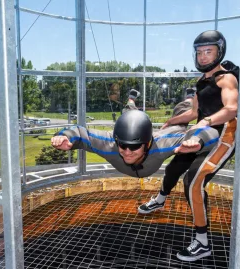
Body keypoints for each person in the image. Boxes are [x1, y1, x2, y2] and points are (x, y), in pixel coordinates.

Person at [138, 30, 238, 262]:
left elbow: (231, 109)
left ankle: (202, 243)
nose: (203, 57)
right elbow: (194, 112)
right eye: (199, 52)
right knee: (174, 168)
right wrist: (170, 122)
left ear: (219, 52)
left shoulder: (227, 78)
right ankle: (160, 200)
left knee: (192, 182)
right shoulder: (201, 82)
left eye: (208, 52)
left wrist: (207, 121)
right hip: (201, 135)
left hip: (224, 138)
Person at [51, 107, 219, 179]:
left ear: (147, 144)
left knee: (177, 127)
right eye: (123, 145)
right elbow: (81, 132)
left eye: (134, 146)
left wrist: (198, 140)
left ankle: (187, 103)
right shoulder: (110, 144)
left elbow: (210, 132)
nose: (127, 151)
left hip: (163, 136)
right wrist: (65, 136)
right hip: (152, 149)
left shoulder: (160, 145)